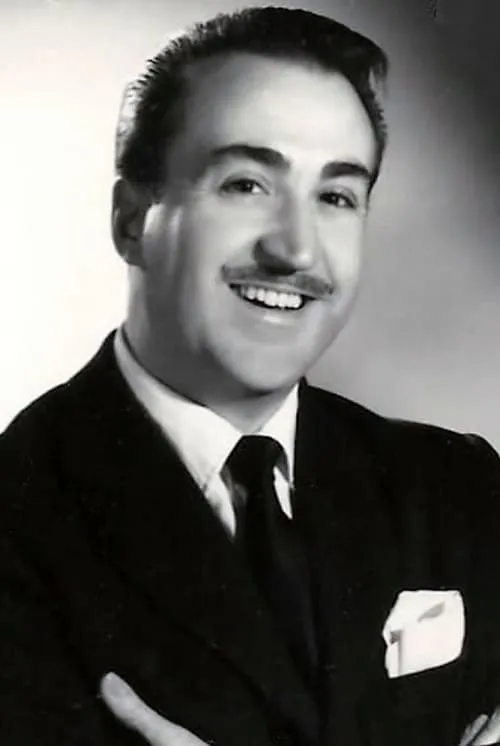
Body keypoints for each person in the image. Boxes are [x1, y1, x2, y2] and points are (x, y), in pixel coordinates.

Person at [2, 6, 500, 746]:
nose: (295, 250)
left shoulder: (458, 490)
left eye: (336, 196)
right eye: (245, 184)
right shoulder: (18, 520)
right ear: (132, 219)